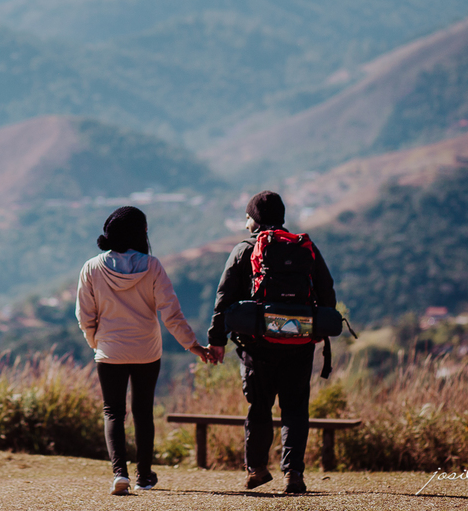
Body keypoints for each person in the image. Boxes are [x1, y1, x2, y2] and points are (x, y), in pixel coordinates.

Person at [206, 191, 336, 495]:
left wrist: (216, 339)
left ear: (255, 220)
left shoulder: (245, 249)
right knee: (295, 409)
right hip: (300, 343)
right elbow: (327, 294)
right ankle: (294, 473)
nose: (246, 221)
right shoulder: (305, 247)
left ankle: (258, 468)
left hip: (257, 345)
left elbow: (224, 298)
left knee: (259, 407)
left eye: (248, 216)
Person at [76, 206, 211, 496]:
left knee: (113, 412)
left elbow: (85, 315)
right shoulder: (152, 266)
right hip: (146, 351)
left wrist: (95, 341)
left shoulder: (91, 268)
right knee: (142, 412)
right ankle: (144, 476)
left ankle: (119, 474)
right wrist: (193, 345)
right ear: (140, 233)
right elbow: (171, 314)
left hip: (109, 351)